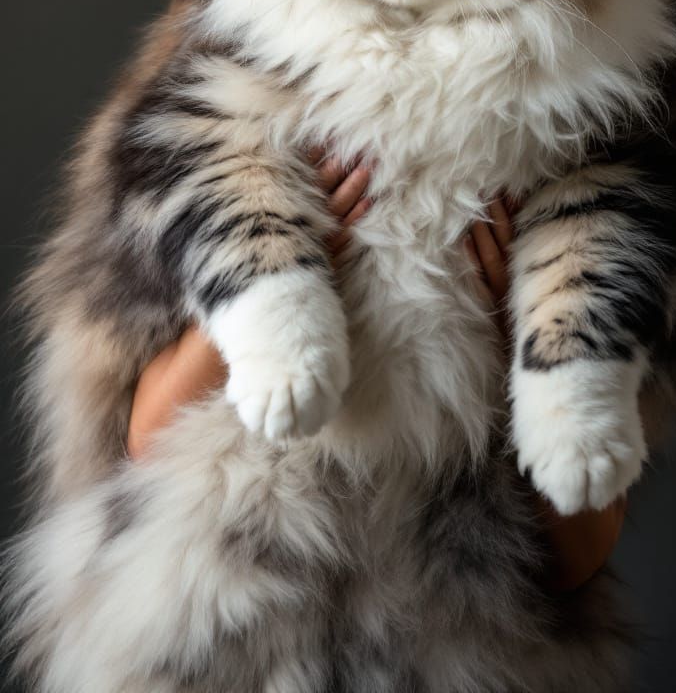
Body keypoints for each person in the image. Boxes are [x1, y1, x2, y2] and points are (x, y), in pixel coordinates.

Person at [127, 152, 626, 593]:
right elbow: (147, 449)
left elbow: (578, 556)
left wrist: (523, 334)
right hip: (236, 618)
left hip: (449, 632)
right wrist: (267, 271)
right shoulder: (224, 133)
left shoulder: (585, 172)